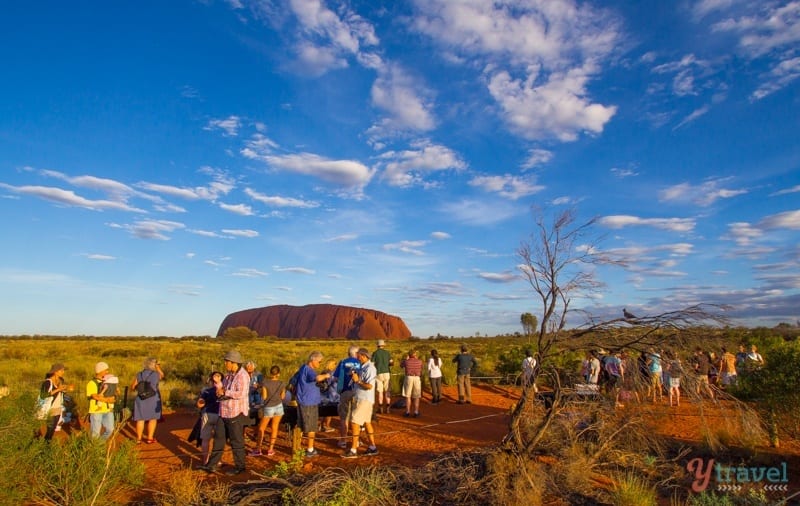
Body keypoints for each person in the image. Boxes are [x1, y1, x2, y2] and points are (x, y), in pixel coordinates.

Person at [200, 350, 251, 476]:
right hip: (224, 412)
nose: (225, 364)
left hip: (235, 413)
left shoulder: (243, 376)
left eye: (227, 361)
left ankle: (240, 467)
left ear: (234, 362)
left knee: (236, 440)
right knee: (219, 439)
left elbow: (241, 394)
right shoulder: (229, 375)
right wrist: (219, 386)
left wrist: (225, 393)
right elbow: (224, 388)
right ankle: (211, 465)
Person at [294, 351, 333, 458]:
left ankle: (297, 448)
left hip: (304, 400)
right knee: (311, 427)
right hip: (308, 402)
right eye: (319, 362)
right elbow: (317, 378)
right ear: (313, 360)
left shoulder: (303, 368)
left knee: (302, 425)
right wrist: (327, 375)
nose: (319, 364)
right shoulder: (309, 370)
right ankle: (310, 450)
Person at [341, 348, 379, 458]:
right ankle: (372, 447)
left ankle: (353, 450)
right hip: (362, 398)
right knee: (367, 422)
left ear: (363, 356)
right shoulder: (363, 367)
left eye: (358, 356)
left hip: (364, 399)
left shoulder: (370, 368)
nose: (357, 358)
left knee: (354, 421)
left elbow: (369, 386)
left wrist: (357, 380)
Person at [251, 365, 286, 457]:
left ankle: (258, 449)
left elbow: (264, 397)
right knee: (274, 427)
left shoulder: (265, 383)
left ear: (270, 373)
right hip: (279, 407)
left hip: (269, 407)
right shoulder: (282, 383)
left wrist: (260, 390)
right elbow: (282, 397)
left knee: (262, 428)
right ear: (278, 374)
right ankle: (270, 449)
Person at [333, 345, 362, 448]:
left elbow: (336, 378)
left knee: (344, 417)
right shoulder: (360, 362)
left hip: (345, 392)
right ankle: (356, 441)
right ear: (356, 353)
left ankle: (343, 441)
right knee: (356, 417)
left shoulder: (343, 362)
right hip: (357, 392)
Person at [131, 357, 165, 444]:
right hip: (153, 398)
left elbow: (132, 387)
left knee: (140, 419)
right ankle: (150, 438)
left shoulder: (140, 374)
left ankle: (138, 439)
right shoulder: (156, 374)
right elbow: (162, 375)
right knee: (152, 418)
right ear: (153, 365)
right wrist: (158, 368)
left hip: (141, 398)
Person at [37, 363, 73, 440]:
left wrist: (66, 389)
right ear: (55, 371)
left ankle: (46, 445)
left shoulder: (61, 380)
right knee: (50, 430)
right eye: (62, 370)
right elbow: (43, 395)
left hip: (57, 408)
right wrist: (58, 389)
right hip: (50, 408)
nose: (63, 372)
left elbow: (60, 392)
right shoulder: (47, 382)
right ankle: (45, 446)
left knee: (52, 429)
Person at [195, 371, 223, 465]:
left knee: (205, 439)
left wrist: (202, 401)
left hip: (208, 415)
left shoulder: (206, 390)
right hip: (220, 415)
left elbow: (199, 404)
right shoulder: (224, 389)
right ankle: (216, 460)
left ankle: (205, 461)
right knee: (218, 439)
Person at [86, 361, 116, 440]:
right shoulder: (92, 383)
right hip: (96, 411)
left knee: (110, 429)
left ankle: (99, 445)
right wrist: (107, 400)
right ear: (99, 371)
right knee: (95, 432)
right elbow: (95, 396)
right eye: (106, 370)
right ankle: (94, 448)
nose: (107, 372)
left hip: (108, 410)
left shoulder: (108, 382)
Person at [371, 339, 393, 414]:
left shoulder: (375, 353)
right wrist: (387, 365)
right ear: (383, 345)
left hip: (378, 373)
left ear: (377, 345)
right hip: (387, 373)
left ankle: (380, 408)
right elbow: (391, 362)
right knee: (387, 390)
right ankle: (388, 408)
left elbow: (372, 364)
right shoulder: (387, 353)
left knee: (380, 391)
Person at [318, 359, 339, 432]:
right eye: (335, 364)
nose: (336, 366)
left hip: (321, 393)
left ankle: (321, 425)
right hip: (329, 394)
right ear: (331, 365)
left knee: (323, 410)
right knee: (329, 410)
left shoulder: (323, 372)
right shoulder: (330, 373)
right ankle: (326, 425)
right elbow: (332, 383)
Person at [401, 349, 423, 417]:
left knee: (408, 396)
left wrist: (406, 359)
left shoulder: (406, 361)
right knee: (416, 396)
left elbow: (401, 365)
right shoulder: (420, 361)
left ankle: (407, 412)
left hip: (408, 378)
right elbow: (421, 368)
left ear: (409, 355)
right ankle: (416, 412)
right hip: (417, 378)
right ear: (415, 355)